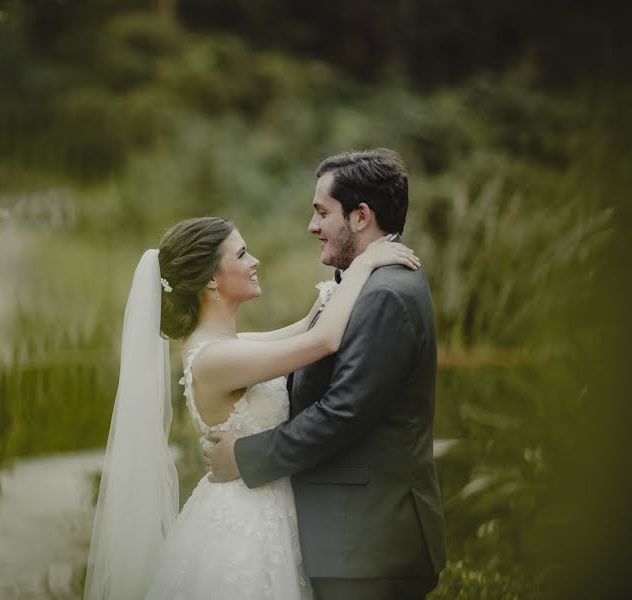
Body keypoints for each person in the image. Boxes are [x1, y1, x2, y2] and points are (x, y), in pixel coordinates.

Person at [85, 205, 420, 597]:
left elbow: (306, 328)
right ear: (211, 279)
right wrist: (365, 265)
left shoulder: (230, 345)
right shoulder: (214, 360)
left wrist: (338, 286)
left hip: (270, 508)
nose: (255, 260)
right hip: (242, 526)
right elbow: (322, 341)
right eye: (242, 254)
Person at [206, 149, 446, 600]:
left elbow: (342, 413)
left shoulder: (386, 294)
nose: (312, 226)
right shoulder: (367, 283)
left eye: (321, 212)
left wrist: (244, 456)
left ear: (360, 216)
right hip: (349, 541)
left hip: (368, 542)